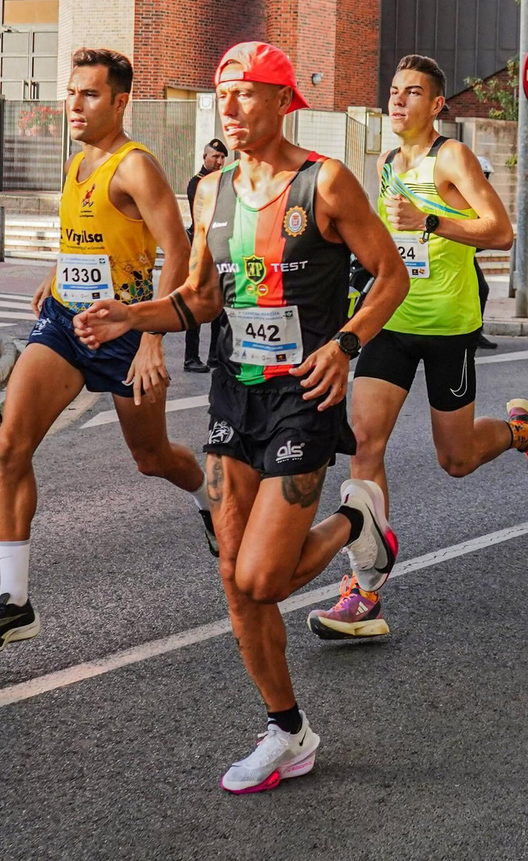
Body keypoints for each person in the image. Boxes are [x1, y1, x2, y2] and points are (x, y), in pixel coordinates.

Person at [74, 41, 409, 793]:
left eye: (247, 92)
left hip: (304, 395)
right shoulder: (212, 190)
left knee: (264, 577)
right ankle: (287, 731)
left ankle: (358, 522)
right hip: (236, 393)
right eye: (224, 91)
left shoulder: (326, 184)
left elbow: (389, 276)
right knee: (234, 576)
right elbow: (200, 299)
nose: (230, 105)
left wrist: (346, 344)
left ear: (283, 100)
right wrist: (134, 316)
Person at [0, 49, 209, 655]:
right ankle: (14, 601)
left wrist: (153, 337)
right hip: (69, 323)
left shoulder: (135, 167)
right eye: (72, 93)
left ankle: (210, 498)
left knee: (151, 458)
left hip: (124, 333)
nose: (75, 104)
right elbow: (85, 236)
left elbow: (177, 251)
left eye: (90, 94)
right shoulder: (79, 163)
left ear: (120, 102)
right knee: (9, 444)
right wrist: (56, 272)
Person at [317, 54, 528, 639]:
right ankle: (363, 590)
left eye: (413, 93)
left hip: (449, 327)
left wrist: (432, 221)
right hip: (391, 318)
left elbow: (499, 231)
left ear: (437, 105)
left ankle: (520, 431)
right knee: (366, 442)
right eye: (394, 91)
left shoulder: (451, 157)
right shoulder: (382, 162)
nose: (398, 101)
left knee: (455, 460)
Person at [184, 139, 229, 372]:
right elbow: (202, 218)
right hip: (200, 250)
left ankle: (215, 355)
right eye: (215, 157)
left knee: (218, 306)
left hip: (219, 251)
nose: (219, 161)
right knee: (196, 304)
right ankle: (191, 357)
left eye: (223, 157)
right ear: (205, 158)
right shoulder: (198, 183)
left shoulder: (224, 182)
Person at [473, 152, 499, 350]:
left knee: (481, 289)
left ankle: (475, 332)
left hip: (465, 253)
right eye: (483, 175)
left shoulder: (480, 198)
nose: (486, 180)